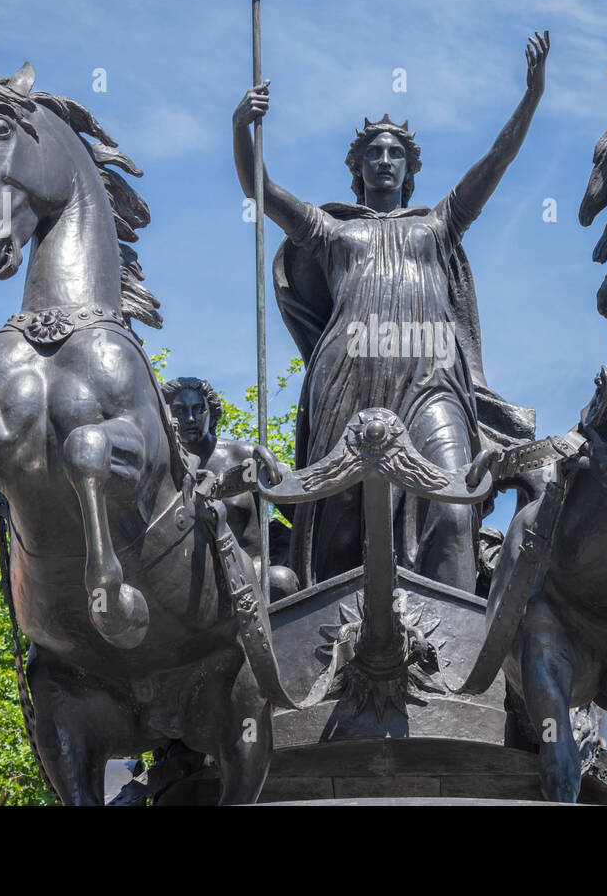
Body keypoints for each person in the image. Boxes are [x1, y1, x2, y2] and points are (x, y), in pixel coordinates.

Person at [232, 33, 548, 591]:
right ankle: (329, 644)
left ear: (409, 167)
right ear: (357, 167)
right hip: (347, 382)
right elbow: (262, 192)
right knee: (338, 531)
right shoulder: (333, 230)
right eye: (373, 153)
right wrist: (242, 130)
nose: (384, 161)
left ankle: (452, 644)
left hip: (431, 379)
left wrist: (531, 95)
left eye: (395, 153)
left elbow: (497, 160)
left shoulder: (439, 223)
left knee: (452, 504)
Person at [164, 376, 299, 600]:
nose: (189, 418)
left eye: (198, 409)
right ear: (166, 416)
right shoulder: (161, 470)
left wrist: (279, 477)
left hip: (251, 575)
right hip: (188, 584)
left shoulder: (244, 456)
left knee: (280, 582)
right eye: (179, 410)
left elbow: (300, 515)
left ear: (211, 412)